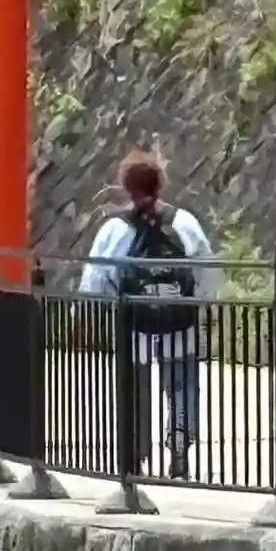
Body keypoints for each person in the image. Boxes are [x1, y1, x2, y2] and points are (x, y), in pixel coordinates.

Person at [79, 151, 217, 480]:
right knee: (182, 386)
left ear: (125, 186)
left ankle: (135, 453)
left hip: (133, 326)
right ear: (160, 183)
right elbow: (207, 273)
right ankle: (179, 448)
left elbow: (95, 280)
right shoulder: (184, 222)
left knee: (134, 389)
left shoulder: (114, 229)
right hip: (179, 323)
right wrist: (203, 304)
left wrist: (89, 312)